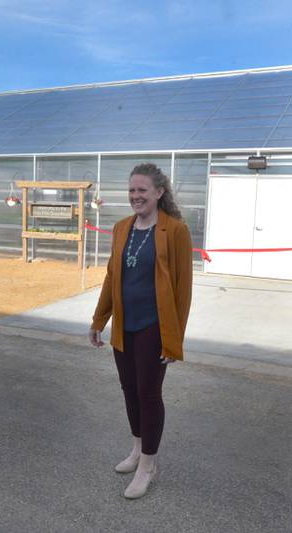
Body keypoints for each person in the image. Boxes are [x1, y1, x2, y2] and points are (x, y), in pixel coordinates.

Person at [89, 163, 193, 499]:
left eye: (142, 190)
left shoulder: (175, 231)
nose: (136, 196)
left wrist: (173, 340)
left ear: (159, 192)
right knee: (129, 390)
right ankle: (137, 449)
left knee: (149, 395)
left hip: (154, 329)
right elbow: (110, 277)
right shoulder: (122, 228)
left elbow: (182, 290)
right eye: (132, 190)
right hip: (124, 326)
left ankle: (148, 464)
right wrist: (98, 320)